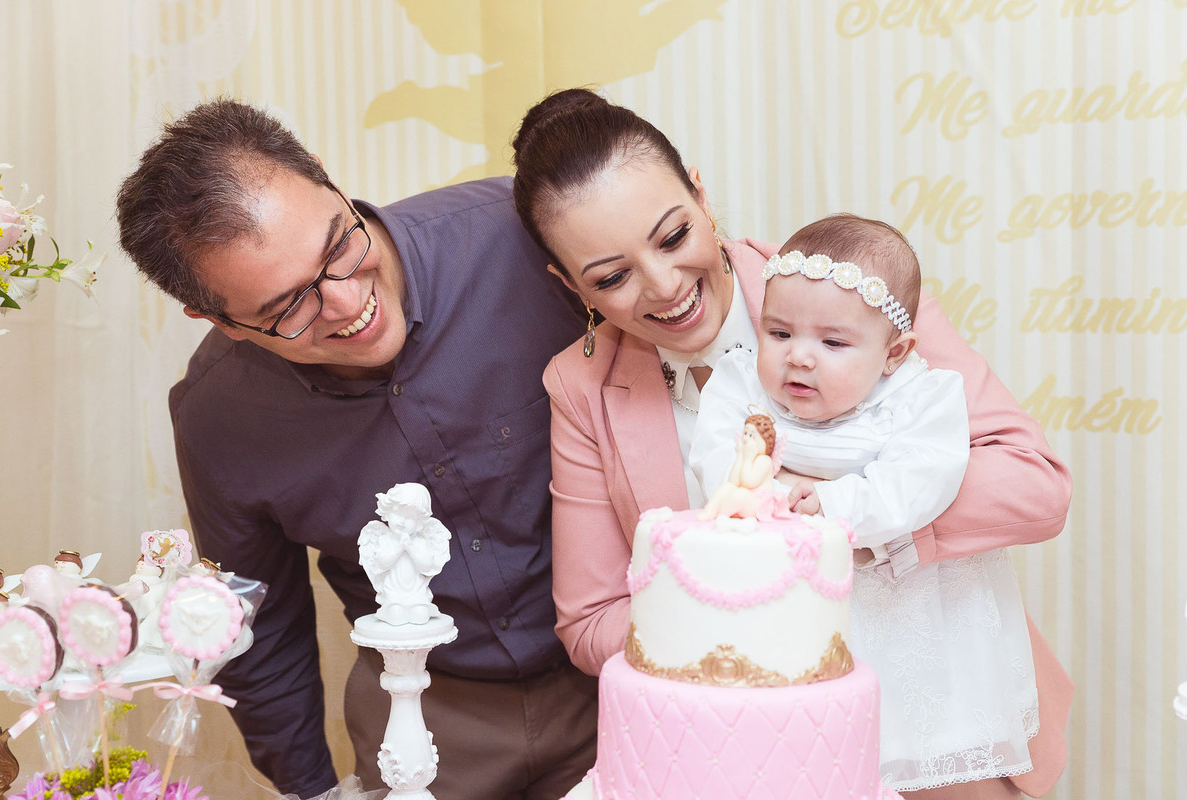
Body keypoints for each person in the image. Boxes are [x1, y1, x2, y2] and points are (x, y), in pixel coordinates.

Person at [511, 87, 1074, 799]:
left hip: (935, 721)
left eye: (673, 235)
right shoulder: (580, 384)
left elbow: (1034, 485)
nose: (663, 285)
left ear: (701, 196)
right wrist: (749, 627)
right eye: (613, 277)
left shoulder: (851, 288)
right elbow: (592, 624)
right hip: (748, 748)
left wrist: (854, 531)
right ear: (573, 286)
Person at [115, 99, 598, 800]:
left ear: (331, 182)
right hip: (420, 710)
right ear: (218, 319)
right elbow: (260, 629)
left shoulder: (524, 237)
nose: (345, 304)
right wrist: (309, 789)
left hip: (617, 674)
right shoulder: (219, 416)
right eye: (287, 308)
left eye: (339, 246)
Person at [690, 214, 1040, 793]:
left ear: (893, 352)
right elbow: (718, 465)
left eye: (832, 342)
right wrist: (775, 495)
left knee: (918, 751)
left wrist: (831, 501)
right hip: (798, 619)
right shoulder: (738, 386)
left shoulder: (921, 397)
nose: (799, 357)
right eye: (779, 334)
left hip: (914, 617)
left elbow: (920, 481)